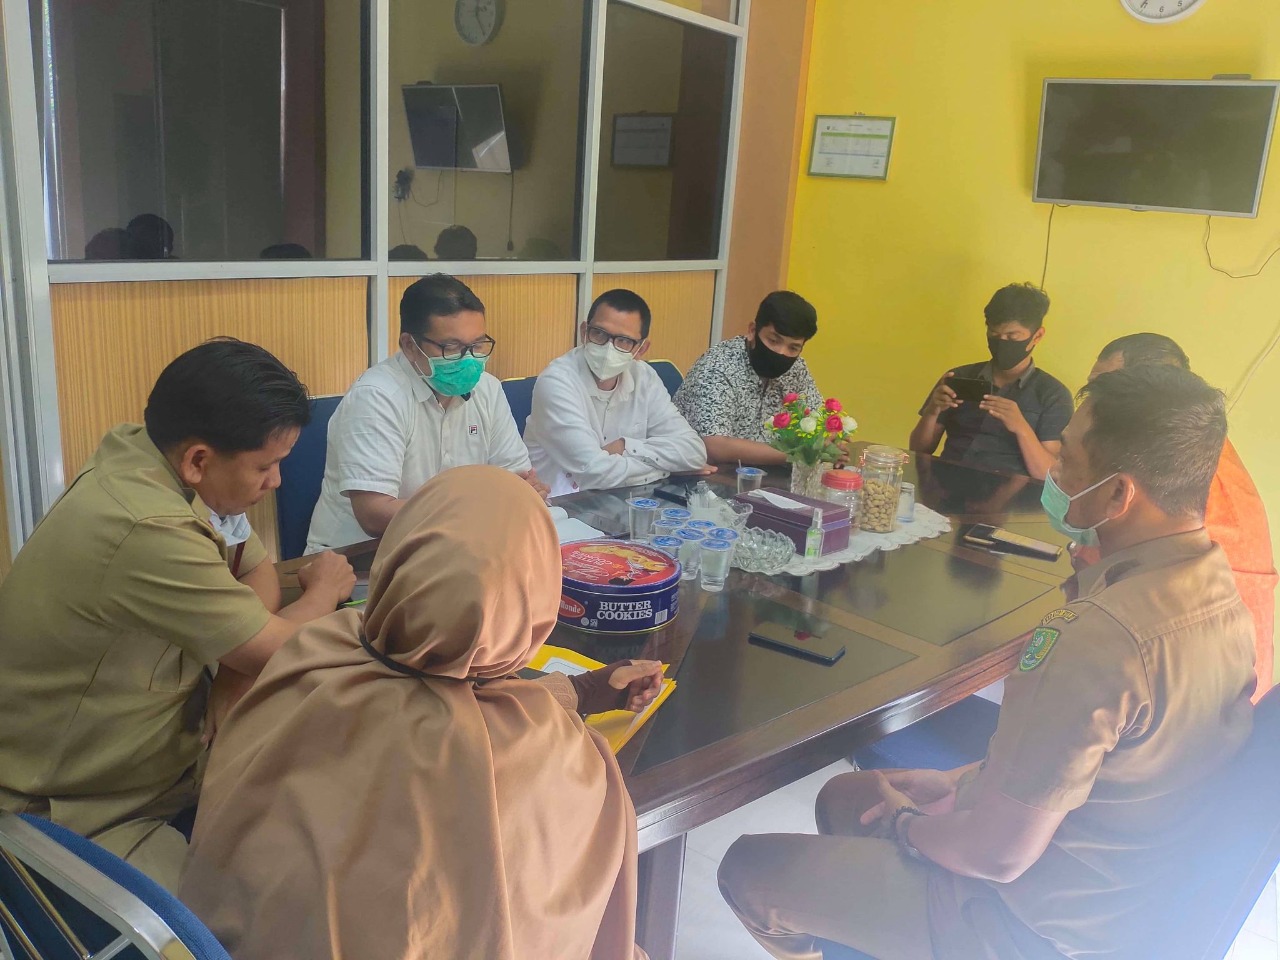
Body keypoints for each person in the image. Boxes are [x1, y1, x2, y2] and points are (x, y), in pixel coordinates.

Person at [718, 365, 1256, 960]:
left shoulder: (1099, 636)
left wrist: (908, 827)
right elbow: (1098, 761)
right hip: (1125, 884)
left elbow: (998, 856)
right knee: (848, 797)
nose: (1054, 470)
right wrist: (961, 782)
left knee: (749, 868)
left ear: (1117, 494)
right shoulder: (1222, 596)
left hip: (1031, 926)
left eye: (1068, 458)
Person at [180, 467, 656, 960]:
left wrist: (580, 690)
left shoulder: (316, 651)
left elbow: (440, 698)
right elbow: (569, 930)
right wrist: (570, 700)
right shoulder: (556, 761)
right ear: (537, 602)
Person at [0, 339, 356, 891]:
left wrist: (235, 657)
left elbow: (255, 571)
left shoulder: (149, 456)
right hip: (78, 807)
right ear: (198, 460)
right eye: (266, 466)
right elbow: (277, 647)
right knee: (261, 905)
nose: (276, 483)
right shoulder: (149, 526)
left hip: (159, 755)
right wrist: (324, 592)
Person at [1088, 332, 1276, 699]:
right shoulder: (1195, 444)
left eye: (1103, 388)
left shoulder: (1180, 466)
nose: (1091, 402)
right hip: (1204, 675)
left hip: (1206, 689)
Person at [307, 274, 546, 552]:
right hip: (359, 556)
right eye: (452, 347)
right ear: (410, 345)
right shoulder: (376, 397)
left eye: (477, 346)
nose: (469, 359)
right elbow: (375, 514)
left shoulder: (488, 389)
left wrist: (522, 493)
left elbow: (518, 482)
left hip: (451, 546)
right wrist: (480, 507)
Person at [523, 289, 710, 496]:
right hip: (562, 507)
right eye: (599, 334)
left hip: (625, 501)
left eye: (624, 341)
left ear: (641, 349)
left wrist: (624, 446)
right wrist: (669, 469)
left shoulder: (644, 377)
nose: (609, 349)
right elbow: (594, 473)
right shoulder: (557, 382)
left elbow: (694, 451)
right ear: (584, 332)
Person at [910, 283, 1073, 480]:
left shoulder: (1053, 395)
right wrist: (932, 411)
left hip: (1011, 492)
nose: (1002, 342)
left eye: (1012, 336)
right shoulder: (959, 376)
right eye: (994, 335)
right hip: (947, 482)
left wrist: (1021, 428)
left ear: (1037, 336)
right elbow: (918, 449)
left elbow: (1048, 473)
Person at [673, 291, 823, 465]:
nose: (782, 352)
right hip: (703, 473)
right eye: (774, 341)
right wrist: (799, 453)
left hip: (765, 474)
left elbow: (818, 420)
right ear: (752, 331)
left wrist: (831, 444)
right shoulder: (718, 366)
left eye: (793, 348)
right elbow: (715, 445)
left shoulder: (797, 369)